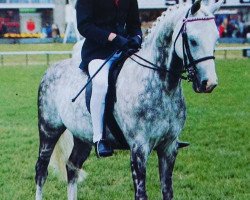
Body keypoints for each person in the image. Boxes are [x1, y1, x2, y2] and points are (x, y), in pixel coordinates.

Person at [76, 0, 142, 157]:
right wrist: (112, 37)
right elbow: (84, 26)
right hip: (98, 52)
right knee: (100, 84)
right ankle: (99, 138)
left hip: (126, 49)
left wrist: (137, 38)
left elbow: (134, 24)